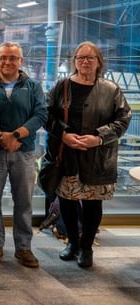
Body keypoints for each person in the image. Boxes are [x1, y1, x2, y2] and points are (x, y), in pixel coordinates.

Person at [46, 42, 130, 268]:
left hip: (98, 157)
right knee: (67, 202)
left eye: (90, 58)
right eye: (80, 57)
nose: (85, 62)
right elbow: (46, 115)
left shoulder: (111, 89)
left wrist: (99, 137)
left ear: (99, 62)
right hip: (68, 156)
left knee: (93, 205)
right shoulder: (61, 86)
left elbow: (123, 119)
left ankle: (86, 247)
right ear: (74, 61)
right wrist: (63, 134)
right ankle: (72, 243)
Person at [0, 42, 47, 268]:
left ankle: (23, 247)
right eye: (3, 58)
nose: (8, 62)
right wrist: (2, 137)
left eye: (13, 58)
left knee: (24, 201)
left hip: (24, 152)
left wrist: (16, 135)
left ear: (21, 61)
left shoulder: (32, 87)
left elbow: (41, 114)